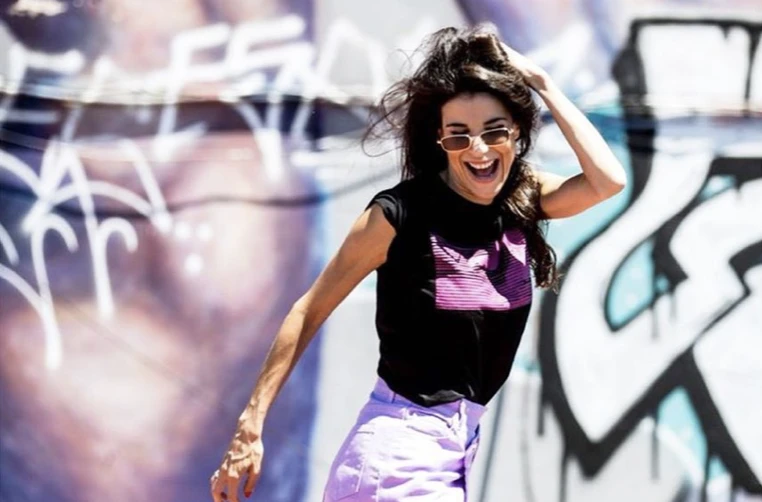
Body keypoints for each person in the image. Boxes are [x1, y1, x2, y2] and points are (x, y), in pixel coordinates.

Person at [210, 23, 626, 502]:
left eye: (495, 131)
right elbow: (309, 310)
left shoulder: (521, 198)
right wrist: (250, 424)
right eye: (458, 136)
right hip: (397, 455)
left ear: (516, 133)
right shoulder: (399, 215)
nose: (479, 150)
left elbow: (607, 181)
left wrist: (543, 84)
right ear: (439, 141)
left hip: (455, 452)